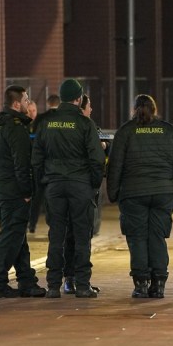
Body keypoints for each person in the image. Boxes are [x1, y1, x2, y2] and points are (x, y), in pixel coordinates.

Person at [108, 94, 173, 298]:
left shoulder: (125, 131)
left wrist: (112, 192)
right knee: (157, 237)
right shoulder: (166, 130)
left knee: (137, 238)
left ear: (134, 110)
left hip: (133, 193)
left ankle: (141, 284)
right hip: (162, 193)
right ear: (154, 110)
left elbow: (115, 165)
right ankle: (159, 283)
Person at [32, 79, 106, 298]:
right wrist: (92, 184)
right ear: (79, 98)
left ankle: (53, 285)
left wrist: (41, 185)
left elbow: (36, 159)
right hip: (80, 185)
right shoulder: (85, 124)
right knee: (82, 236)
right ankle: (82, 285)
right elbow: (97, 159)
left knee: (56, 236)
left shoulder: (45, 123)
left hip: (54, 186)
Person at [0, 86, 46, 298]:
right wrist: (27, 191)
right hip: (13, 191)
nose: (29, 103)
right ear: (16, 104)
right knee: (10, 237)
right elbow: (21, 163)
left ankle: (26, 280)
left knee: (17, 236)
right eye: (26, 100)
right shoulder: (15, 128)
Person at [28, 94, 60, 234]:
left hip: (41, 164)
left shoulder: (41, 119)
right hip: (56, 164)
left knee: (37, 196)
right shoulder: (63, 118)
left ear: (48, 103)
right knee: (54, 198)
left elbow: (36, 142)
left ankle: (32, 224)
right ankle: (54, 225)